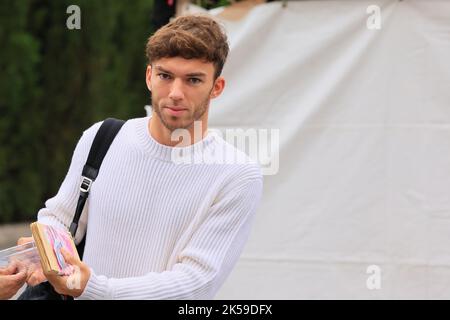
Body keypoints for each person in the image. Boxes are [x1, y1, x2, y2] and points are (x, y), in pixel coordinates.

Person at [19, 14, 263, 299]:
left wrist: (95, 289)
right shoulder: (102, 137)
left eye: (193, 80)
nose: (175, 93)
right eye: (165, 76)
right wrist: (42, 250)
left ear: (216, 87)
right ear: (149, 76)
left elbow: (196, 282)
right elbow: (60, 217)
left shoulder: (236, 174)